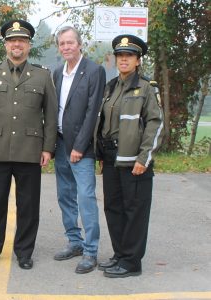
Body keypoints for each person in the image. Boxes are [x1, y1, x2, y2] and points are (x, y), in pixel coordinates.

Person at [0, 20, 58, 270]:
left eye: (21, 40)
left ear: (29, 45)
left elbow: (50, 115)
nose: (16, 44)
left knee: (28, 206)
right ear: (6, 44)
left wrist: (48, 148)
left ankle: (24, 252)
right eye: (12, 40)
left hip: (30, 150)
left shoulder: (42, 75)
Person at [94, 34, 164, 278]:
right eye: (120, 55)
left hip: (134, 160)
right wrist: (100, 152)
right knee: (113, 209)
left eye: (129, 56)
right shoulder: (111, 87)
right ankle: (120, 254)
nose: (124, 59)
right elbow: (103, 122)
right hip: (112, 158)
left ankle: (132, 262)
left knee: (135, 210)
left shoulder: (146, 88)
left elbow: (155, 124)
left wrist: (144, 158)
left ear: (138, 60)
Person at [52, 26, 106, 274]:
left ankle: (90, 251)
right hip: (61, 143)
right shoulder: (57, 73)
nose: (66, 47)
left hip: (80, 147)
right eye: (62, 43)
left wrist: (79, 147)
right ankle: (74, 242)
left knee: (85, 197)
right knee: (65, 195)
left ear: (80, 44)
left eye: (70, 42)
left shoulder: (94, 71)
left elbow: (93, 112)